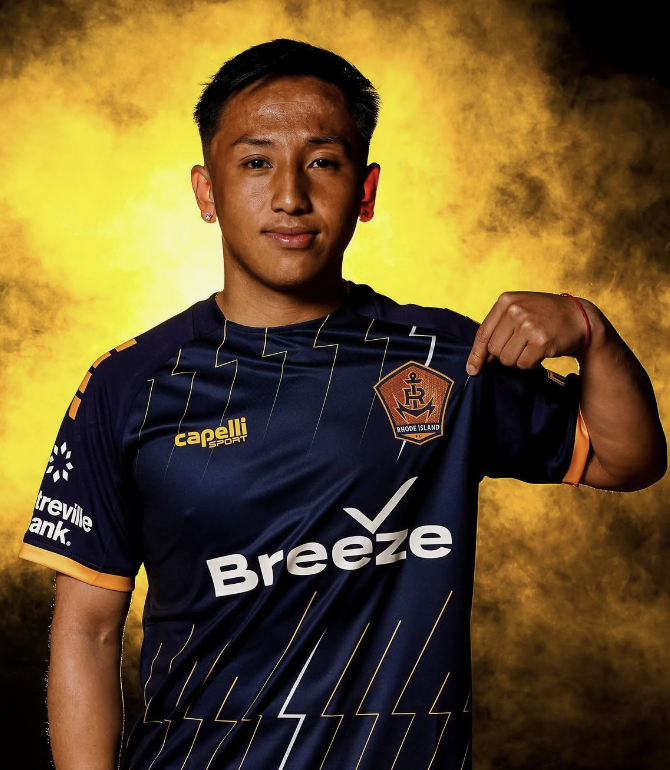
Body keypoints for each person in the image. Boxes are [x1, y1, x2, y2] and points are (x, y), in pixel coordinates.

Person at [19, 38, 666, 770]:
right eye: (256, 162)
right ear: (207, 192)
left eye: (322, 162)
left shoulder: (450, 358)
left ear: (366, 189)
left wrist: (592, 330)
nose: (291, 195)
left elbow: (627, 458)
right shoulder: (129, 385)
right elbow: (87, 633)